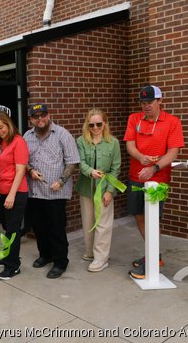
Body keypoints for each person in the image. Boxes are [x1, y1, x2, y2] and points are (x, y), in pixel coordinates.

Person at [124, 85, 184, 279]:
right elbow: (130, 145)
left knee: (152, 218)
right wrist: (140, 157)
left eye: (150, 102)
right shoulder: (134, 118)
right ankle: (154, 255)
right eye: (143, 102)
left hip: (158, 180)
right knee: (139, 216)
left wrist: (154, 168)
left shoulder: (172, 122)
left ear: (159, 101)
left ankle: (153, 262)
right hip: (136, 176)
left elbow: (173, 152)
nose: (146, 106)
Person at [23, 103, 79, 279]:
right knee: (39, 227)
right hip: (35, 192)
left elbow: (73, 161)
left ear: (48, 116)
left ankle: (60, 262)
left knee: (56, 228)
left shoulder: (62, 134)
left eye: (43, 115)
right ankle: (45, 255)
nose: (40, 119)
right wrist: (30, 170)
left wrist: (61, 181)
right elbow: (22, 160)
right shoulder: (27, 136)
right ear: (31, 119)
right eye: (36, 116)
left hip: (56, 192)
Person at [75, 109, 121, 272]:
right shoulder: (81, 141)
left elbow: (116, 168)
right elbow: (79, 162)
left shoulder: (113, 142)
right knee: (88, 221)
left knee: (103, 224)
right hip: (86, 187)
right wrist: (90, 171)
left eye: (99, 124)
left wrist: (109, 191)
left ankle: (101, 258)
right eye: (91, 124)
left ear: (105, 124)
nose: (95, 127)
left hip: (104, 188)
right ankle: (90, 252)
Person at [0, 111, 29, 280]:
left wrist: (11, 195)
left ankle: (13, 266)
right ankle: (8, 256)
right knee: (6, 228)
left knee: (13, 230)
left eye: (1, 127)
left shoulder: (18, 142)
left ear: (9, 125)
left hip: (15, 193)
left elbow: (20, 171)